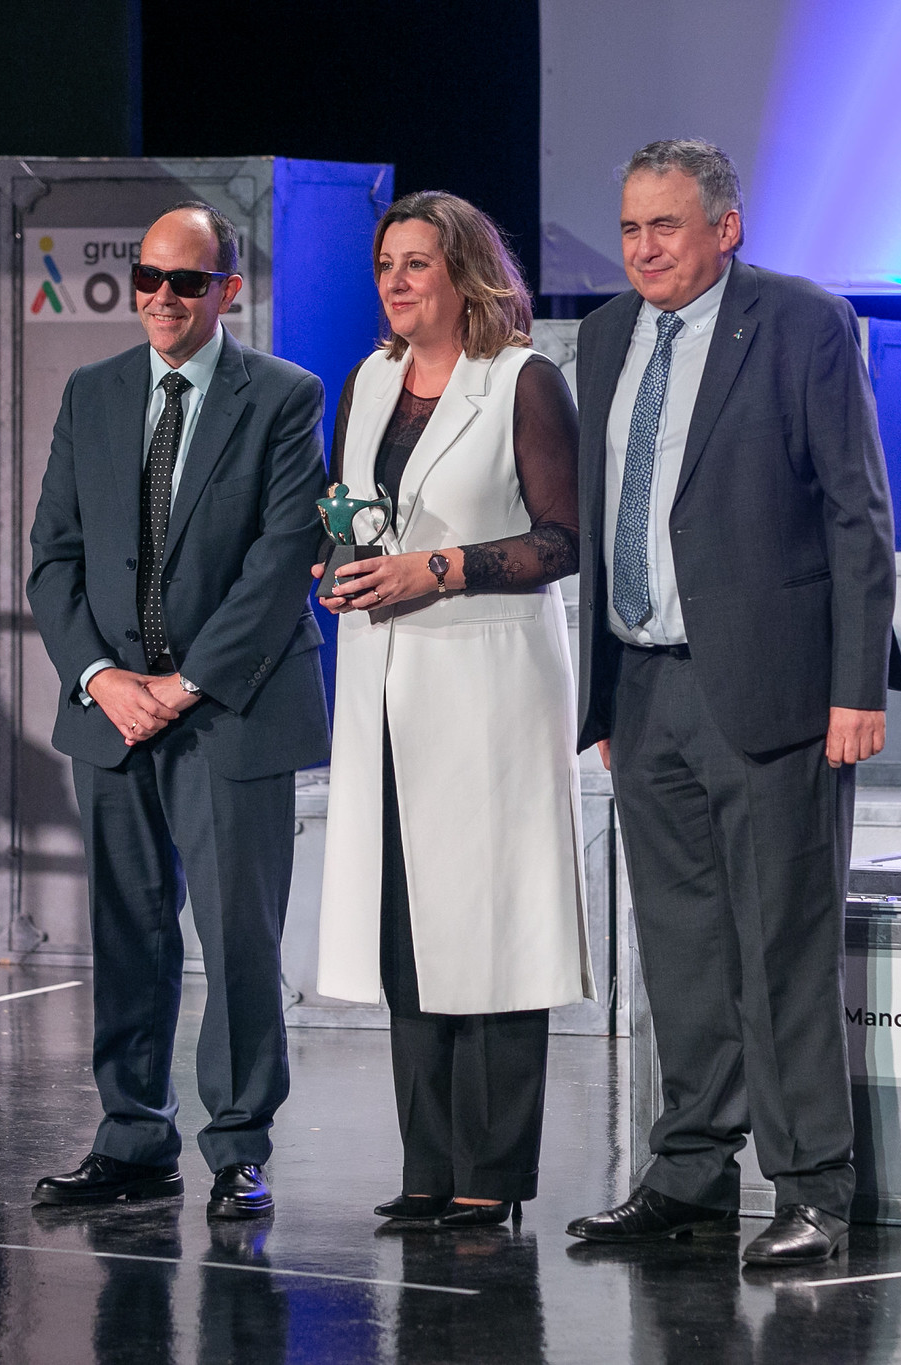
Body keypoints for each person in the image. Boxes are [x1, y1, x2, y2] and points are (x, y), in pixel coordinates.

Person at [564, 140, 899, 1266]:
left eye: (664, 226)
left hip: (772, 687)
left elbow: (856, 512)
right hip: (642, 685)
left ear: (725, 227)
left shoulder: (801, 324)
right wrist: (604, 698)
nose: (642, 249)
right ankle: (691, 1175)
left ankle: (812, 1187)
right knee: (680, 948)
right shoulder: (604, 336)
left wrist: (855, 685)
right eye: (629, 228)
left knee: (782, 945)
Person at [26, 202, 330, 1220]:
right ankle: (132, 1139)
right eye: (148, 278)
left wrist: (187, 682)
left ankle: (238, 1147)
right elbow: (54, 559)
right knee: (128, 932)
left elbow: (281, 559)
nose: (162, 298)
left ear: (226, 290)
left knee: (238, 937)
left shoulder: (283, 395)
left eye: (186, 282)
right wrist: (101, 677)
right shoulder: (94, 391)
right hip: (111, 713)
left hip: (229, 707)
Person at [312, 190, 593, 1229]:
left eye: (416, 263)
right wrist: (339, 568)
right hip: (385, 681)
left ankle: (491, 1171)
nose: (395, 281)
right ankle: (427, 1166)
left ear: (465, 273)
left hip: (489, 685)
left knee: (494, 923)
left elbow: (562, 541)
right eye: (385, 264)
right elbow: (350, 513)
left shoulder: (520, 381)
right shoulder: (369, 381)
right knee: (407, 925)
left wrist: (436, 567)